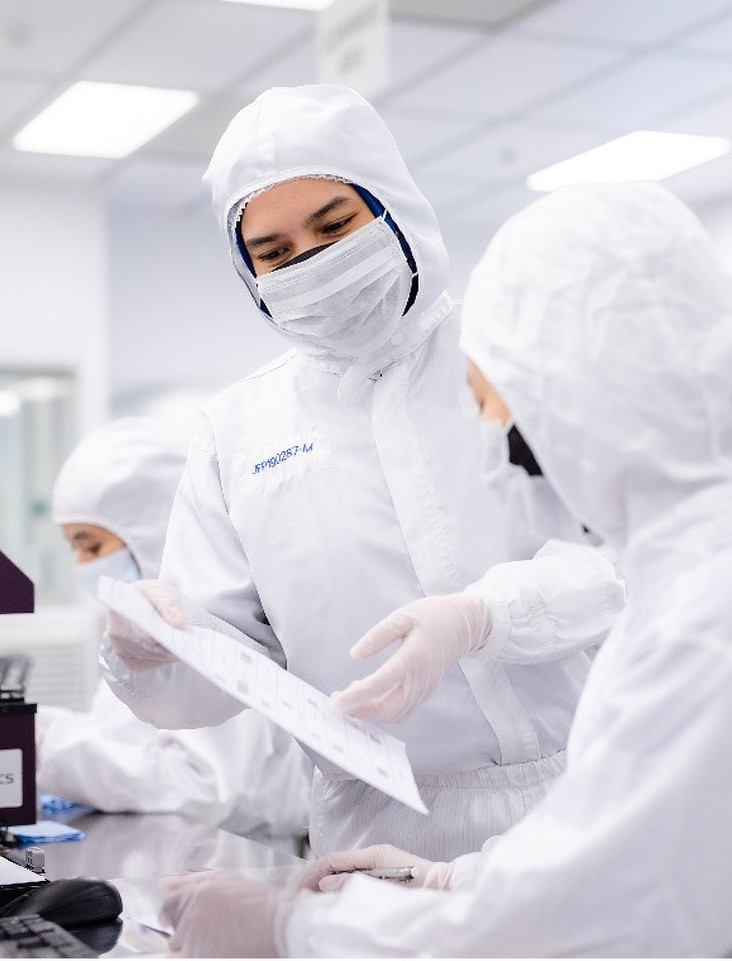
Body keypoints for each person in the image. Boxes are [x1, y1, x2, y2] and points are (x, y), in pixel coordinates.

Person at [160, 180, 732, 957]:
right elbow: (609, 849)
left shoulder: (700, 631)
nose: (495, 442)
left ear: (582, 392)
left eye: (492, 403)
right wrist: (453, 881)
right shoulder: (690, 580)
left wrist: (290, 928)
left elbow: (571, 922)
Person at [101, 83, 624, 862]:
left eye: (335, 224)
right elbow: (223, 677)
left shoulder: (512, 355)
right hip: (373, 839)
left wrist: (484, 616)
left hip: (583, 803)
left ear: (394, 208)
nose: (308, 262)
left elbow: (625, 564)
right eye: (273, 253)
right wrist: (154, 652)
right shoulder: (239, 430)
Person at [42, 416, 311, 846]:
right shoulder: (138, 632)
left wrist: (47, 747)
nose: (81, 565)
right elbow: (123, 744)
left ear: (149, 530)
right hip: (168, 858)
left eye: (91, 545)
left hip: (231, 862)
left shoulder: (214, 622)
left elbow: (203, 788)